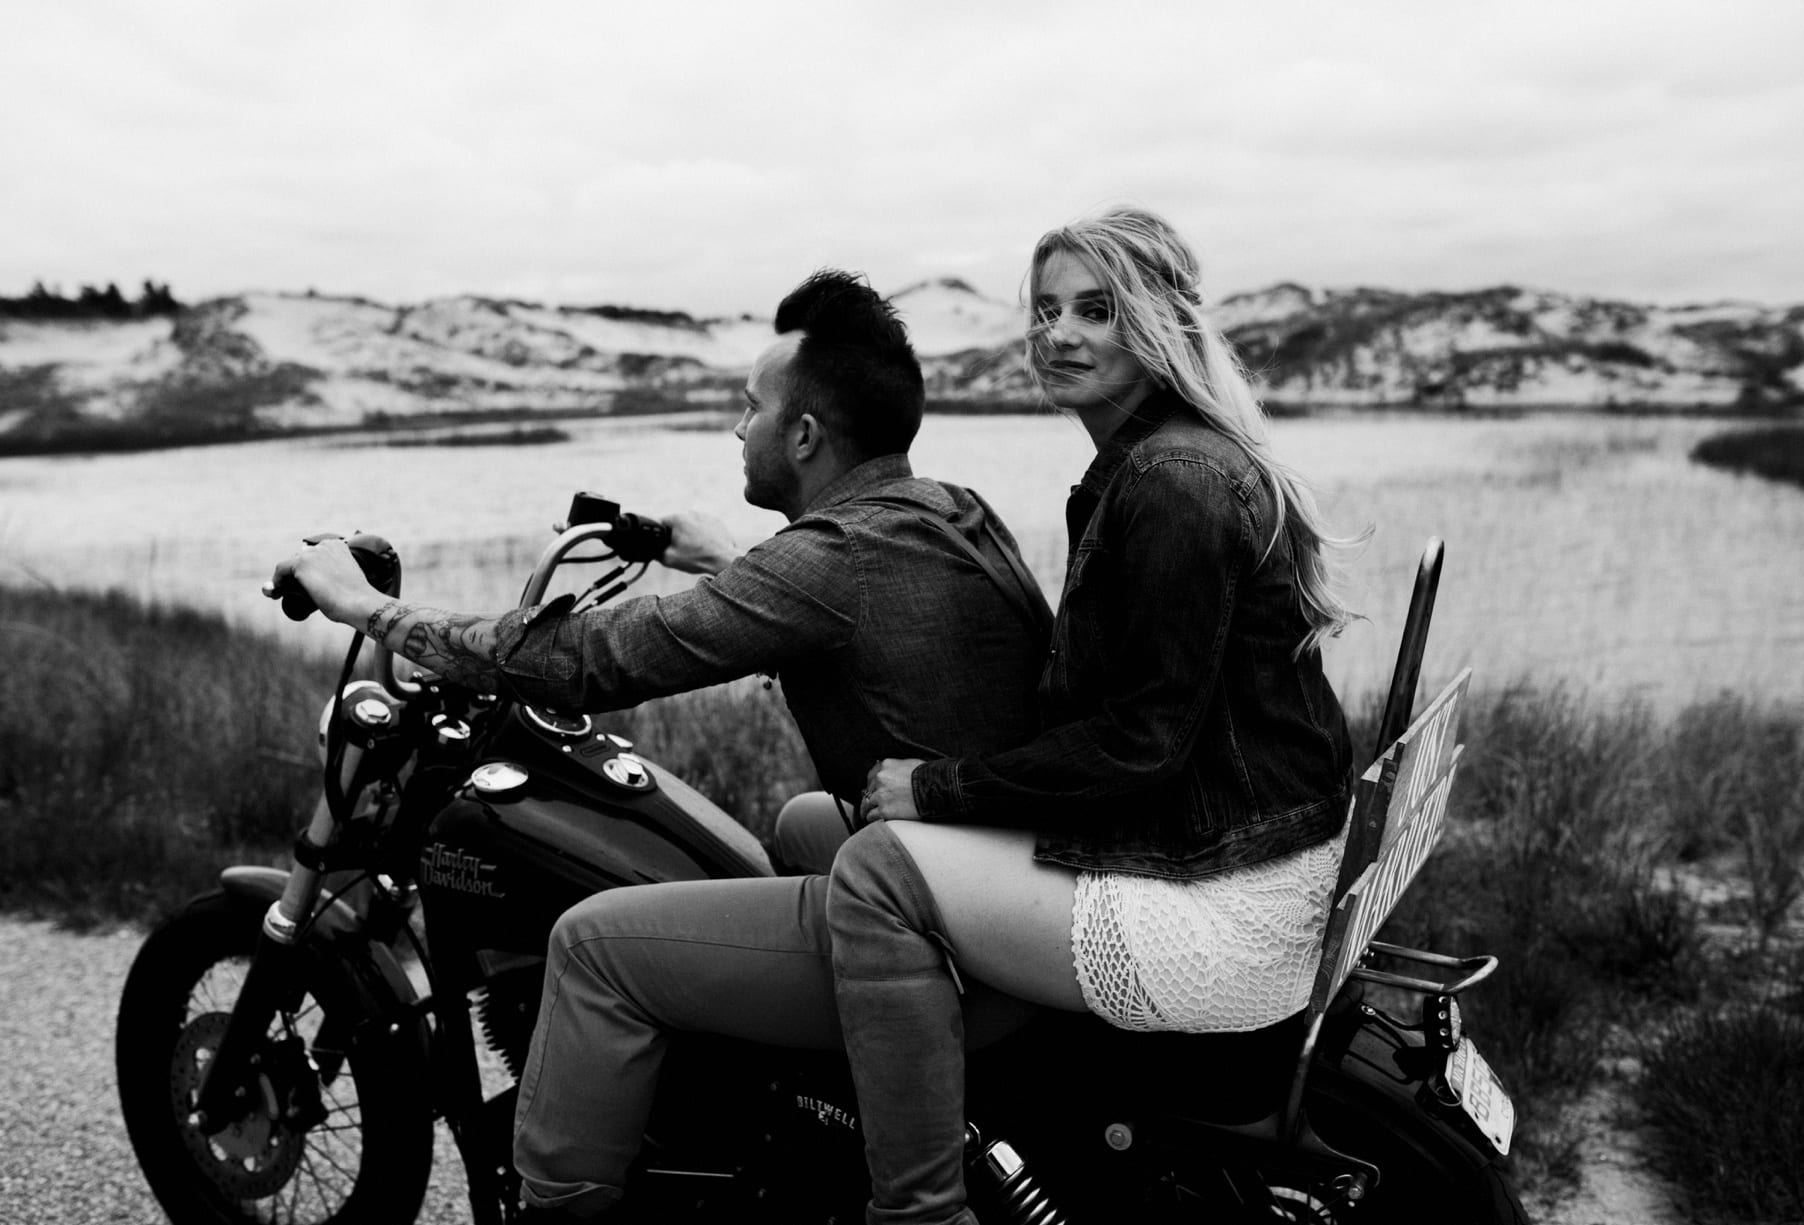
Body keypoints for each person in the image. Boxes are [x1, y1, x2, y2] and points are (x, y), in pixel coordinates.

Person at [269, 268, 1050, 1220]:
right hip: (1015, 890)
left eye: (751, 406)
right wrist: (733, 558)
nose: (737, 426)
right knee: (804, 822)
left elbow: (593, 659)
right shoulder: (954, 512)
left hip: (952, 937)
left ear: (803, 436)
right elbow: (860, 606)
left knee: (592, 945)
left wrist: (373, 610)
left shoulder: (825, 561)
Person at [828, 206, 1362, 1225]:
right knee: (897, 832)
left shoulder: (1173, 483)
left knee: (872, 867)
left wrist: (933, 784)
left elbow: (1140, 743)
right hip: (1247, 860)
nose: (1056, 334)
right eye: (1043, 311)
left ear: (1157, 322)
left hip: (1222, 912)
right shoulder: (1161, 461)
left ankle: (918, 1210)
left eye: (1094, 310)